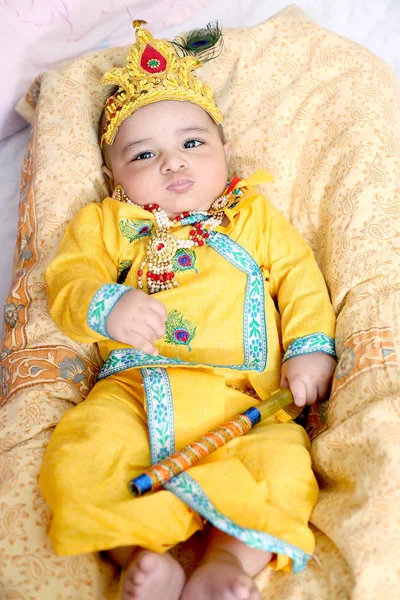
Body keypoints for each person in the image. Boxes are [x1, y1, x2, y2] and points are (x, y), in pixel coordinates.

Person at [39, 20, 336, 600]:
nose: (173, 163)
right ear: (114, 179)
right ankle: (142, 558)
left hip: (249, 399)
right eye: (144, 154)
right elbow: (68, 278)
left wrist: (309, 349)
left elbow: (300, 279)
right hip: (135, 390)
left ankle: (228, 563)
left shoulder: (251, 216)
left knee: (280, 474)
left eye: (192, 143)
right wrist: (109, 303)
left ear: (226, 153)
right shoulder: (111, 224)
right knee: (82, 456)